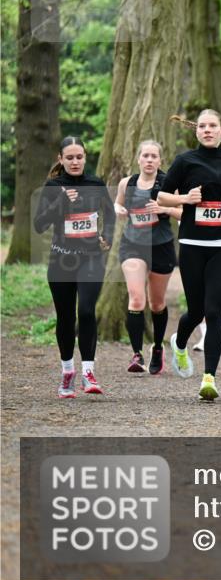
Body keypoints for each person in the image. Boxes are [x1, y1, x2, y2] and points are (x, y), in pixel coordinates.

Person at [157, 109, 221, 401]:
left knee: (213, 313)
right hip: (193, 245)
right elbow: (160, 196)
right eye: (202, 126)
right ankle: (180, 342)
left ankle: (208, 378)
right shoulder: (186, 161)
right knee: (195, 311)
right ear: (196, 131)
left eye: (213, 126)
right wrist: (185, 199)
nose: (207, 130)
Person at [33, 137, 115, 398]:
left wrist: (107, 236)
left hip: (91, 258)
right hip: (61, 261)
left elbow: (110, 214)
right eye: (69, 158)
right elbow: (39, 225)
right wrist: (60, 203)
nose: (75, 161)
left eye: (79, 157)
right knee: (66, 318)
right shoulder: (53, 186)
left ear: (85, 157)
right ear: (61, 159)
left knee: (87, 311)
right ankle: (67, 371)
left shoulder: (96, 183)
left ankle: (88, 372)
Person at [114, 140, 181, 375]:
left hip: (161, 245)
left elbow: (183, 211)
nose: (150, 160)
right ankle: (136, 354)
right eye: (146, 156)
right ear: (139, 159)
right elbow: (118, 204)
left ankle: (157, 347)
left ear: (160, 160)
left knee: (157, 303)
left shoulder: (168, 184)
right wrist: (118, 210)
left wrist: (164, 209)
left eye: (154, 156)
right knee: (136, 298)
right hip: (132, 245)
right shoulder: (127, 183)